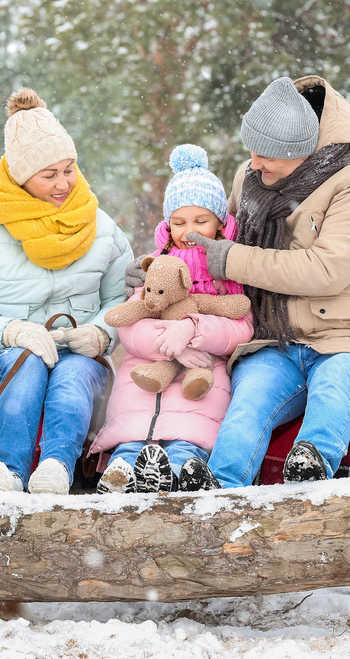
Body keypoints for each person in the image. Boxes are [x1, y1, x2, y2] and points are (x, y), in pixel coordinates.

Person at [172, 75, 350, 490]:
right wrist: (162, 267)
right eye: (252, 151)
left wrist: (234, 260)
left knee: (333, 385)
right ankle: (218, 489)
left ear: (301, 152)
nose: (253, 163)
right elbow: (211, 247)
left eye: (266, 155)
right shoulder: (251, 179)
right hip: (275, 342)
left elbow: (324, 271)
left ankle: (310, 470)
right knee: (249, 400)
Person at [0, 88, 133, 494]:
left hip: (77, 354)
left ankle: (57, 468)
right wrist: (12, 332)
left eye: (69, 169)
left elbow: (121, 300)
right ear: (21, 176)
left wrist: (100, 334)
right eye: (49, 175)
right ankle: (10, 471)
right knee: (25, 364)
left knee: (73, 371)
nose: (64, 184)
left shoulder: (104, 229)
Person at [90, 144, 253, 494]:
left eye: (200, 221)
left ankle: (179, 470)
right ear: (167, 223)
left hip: (205, 373)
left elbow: (242, 325)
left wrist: (193, 330)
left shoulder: (226, 271)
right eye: (179, 222)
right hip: (144, 378)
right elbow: (132, 323)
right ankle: (122, 472)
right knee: (133, 438)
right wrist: (169, 346)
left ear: (220, 222)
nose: (188, 231)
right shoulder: (154, 265)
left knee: (187, 438)